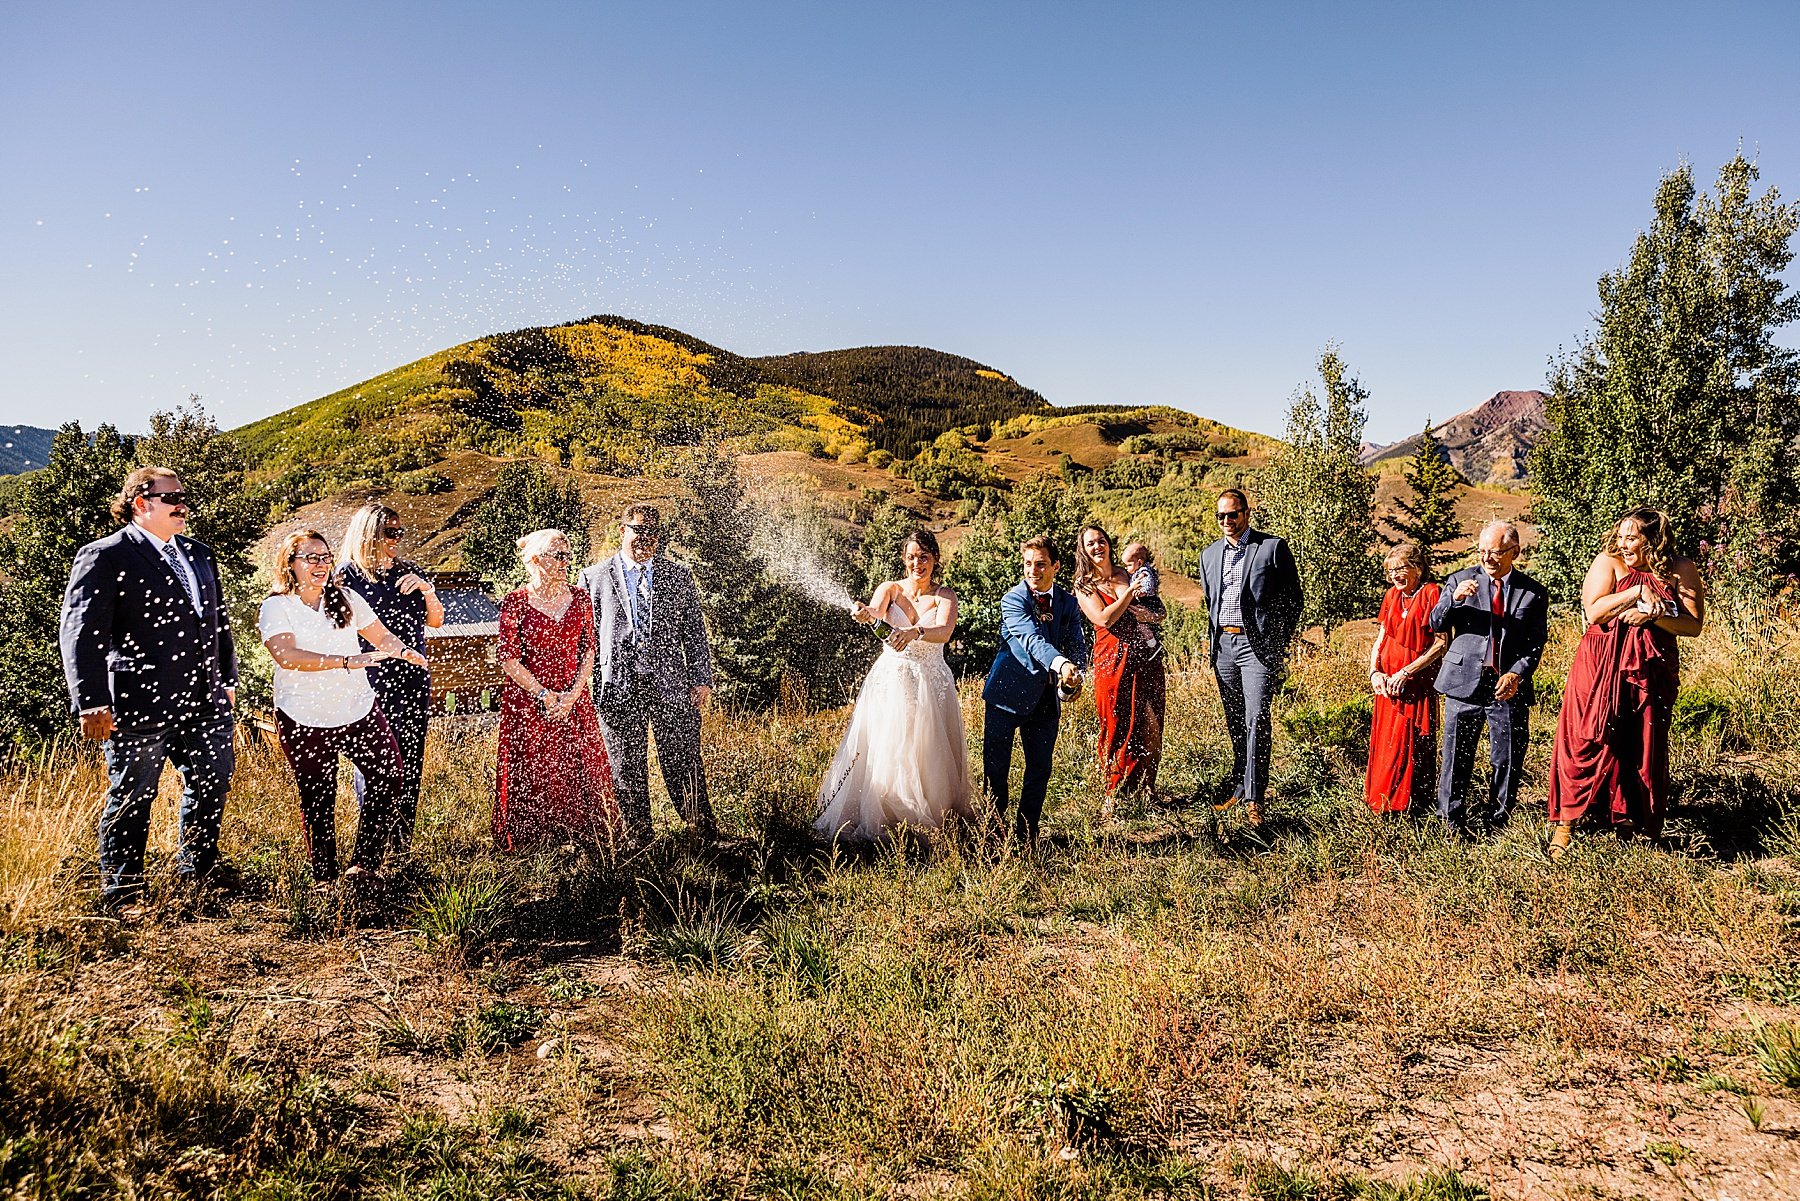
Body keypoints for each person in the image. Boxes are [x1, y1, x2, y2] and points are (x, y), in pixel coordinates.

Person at [60, 467, 239, 909]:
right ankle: (123, 892)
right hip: (139, 702)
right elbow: (82, 633)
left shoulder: (199, 554)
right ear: (140, 503)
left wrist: (228, 679)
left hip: (204, 698)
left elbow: (218, 624)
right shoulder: (105, 555)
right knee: (133, 795)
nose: (182, 504)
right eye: (170, 497)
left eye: (183, 495)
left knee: (212, 782)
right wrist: (92, 699)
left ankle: (198, 872)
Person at [259, 529, 425, 887]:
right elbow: (286, 656)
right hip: (302, 716)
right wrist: (346, 660)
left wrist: (405, 652)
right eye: (311, 558)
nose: (321, 564)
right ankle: (324, 878)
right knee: (318, 798)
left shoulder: (347, 598)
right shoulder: (277, 605)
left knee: (389, 777)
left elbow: (380, 636)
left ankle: (363, 866)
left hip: (357, 709)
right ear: (290, 564)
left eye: (325, 557)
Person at [1546, 508, 1704, 858]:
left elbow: (1693, 625)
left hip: (1650, 667)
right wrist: (1632, 596)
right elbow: (1594, 611)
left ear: (1654, 540)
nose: (1623, 543)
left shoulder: (1681, 569)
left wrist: (1656, 613)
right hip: (1600, 661)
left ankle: (1631, 822)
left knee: (1642, 742)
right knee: (1588, 735)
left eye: (1631, 538)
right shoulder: (1609, 562)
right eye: (1621, 536)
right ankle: (1566, 823)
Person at [816, 529, 974, 841]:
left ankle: (934, 817)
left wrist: (915, 631)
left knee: (929, 747)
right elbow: (874, 613)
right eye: (912, 557)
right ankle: (886, 814)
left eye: (925, 557)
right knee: (890, 744)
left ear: (935, 559)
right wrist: (864, 612)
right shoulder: (889, 589)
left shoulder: (945, 596)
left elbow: (943, 632)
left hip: (931, 680)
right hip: (893, 678)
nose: (919, 563)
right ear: (904, 559)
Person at [579, 504, 715, 843]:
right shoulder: (592, 577)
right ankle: (639, 837)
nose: (646, 539)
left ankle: (703, 831)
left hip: (671, 685)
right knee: (626, 765)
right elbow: (587, 641)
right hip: (618, 687)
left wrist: (700, 677)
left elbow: (694, 631)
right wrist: (585, 686)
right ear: (622, 530)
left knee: (683, 757)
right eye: (639, 531)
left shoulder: (679, 575)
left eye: (653, 534)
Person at [495, 529, 618, 850]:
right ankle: (535, 844)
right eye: (558, 556)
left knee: (577, 767)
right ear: (536, 561)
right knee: (536, 768)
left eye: (568, 555)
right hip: (529, 703)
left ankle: (583, 838)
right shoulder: (515, 602)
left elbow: (589, 651)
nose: (566, 562)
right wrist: (544, 695)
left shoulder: (580, 598)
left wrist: (573, 694)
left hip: (573, 699)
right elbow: (508, 659)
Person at [1429, 521, 1549, 838]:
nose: (1487, 558)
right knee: (1456, 756)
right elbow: (1435, 622)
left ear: (1515, 552)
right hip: (1463, 683)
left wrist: (1517, 673)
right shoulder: (1459, 580)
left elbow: (1536, 642)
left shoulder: (1533, 592)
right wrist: (1453, 599)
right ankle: (1450, 824)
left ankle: (1496, 823)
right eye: (1482, 551)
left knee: (1507, 758)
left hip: (1508, 688)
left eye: (1495, 552)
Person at [336, 503, 444, 857]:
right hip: (369, 681)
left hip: (412, 679)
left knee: (410, 764)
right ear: (369, 534)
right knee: (376, 766)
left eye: (400, 533)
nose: (397, 539)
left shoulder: (410, 572)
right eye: (390, 533)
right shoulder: (345, 577)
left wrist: (428, 591)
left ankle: (400, 849)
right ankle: (372, 851)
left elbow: (436, 622)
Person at [1198, 489, 1303, 826]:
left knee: (1257, 717)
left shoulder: (1271, 548)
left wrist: (1277, 641)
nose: (1227, 522)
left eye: (1233, 514)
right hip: (1224, 649)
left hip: (1256, 648)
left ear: (1246, 513)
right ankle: (1241, 786)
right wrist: (1213, 645)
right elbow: (1211, 602)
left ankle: (1256, 799)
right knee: (1235, 722)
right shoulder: (1209, 555)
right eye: (1221, 516)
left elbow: (1293, 600)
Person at [982, 535, 1090, 843]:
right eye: (1028, 564)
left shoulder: (1068, 602)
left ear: (1055, 566)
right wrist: (1061, 664)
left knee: (1040, 769)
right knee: (995, 770)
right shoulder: (1013, 599)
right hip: (1005, 694)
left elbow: (1076, 645)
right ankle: (992, 835)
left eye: (1040, 564)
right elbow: (1031, 639)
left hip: (1045, 698)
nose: (1033, 570)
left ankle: (1026, 835)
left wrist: (1074, 677)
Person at [1074, 525, 1167, 807]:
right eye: (1091, 543)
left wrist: (1150, 616)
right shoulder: (1084, 585)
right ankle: (1114, 795)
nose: (1097, 547)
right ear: (1083, 550)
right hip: (1111, 660)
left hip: (1145, 658)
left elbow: (1159, 612)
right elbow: (1103, 619)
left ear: (1109, 544)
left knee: (1151, 723)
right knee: (1116, 724)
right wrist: (1129, 596)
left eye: (1101, 540)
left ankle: (1148, 790)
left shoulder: (1128, 573)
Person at [1364, 543, 1447, 816]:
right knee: (1387, 744)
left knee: (1410, 746)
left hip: (1415, 685)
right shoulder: (1391, 596)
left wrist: (1406, 672)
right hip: (1387, 686)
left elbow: (1440, 644)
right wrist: (1374, 671)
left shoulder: (1432, 593)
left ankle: (1410, 810)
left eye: (1401, 568)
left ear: (1418, 568)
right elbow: (1382, 636)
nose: (1395, 575)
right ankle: (1382, 804)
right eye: (1390, 571)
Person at [1120, 542, 1166, 661]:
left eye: (1128, 565)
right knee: (1142, 624)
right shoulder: (1137, 571)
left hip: (1148, 601)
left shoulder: (1144, 572)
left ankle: (1153, 645)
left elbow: (1147, 583)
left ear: (1139, 562)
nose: (1126, 568)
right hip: (1147, 601)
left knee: (1142, 624)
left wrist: (1142, 592)